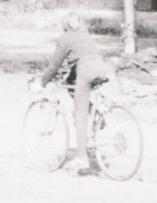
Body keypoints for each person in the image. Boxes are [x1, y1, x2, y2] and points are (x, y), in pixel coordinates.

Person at [35, 12, 113, 174]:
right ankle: (99, 116)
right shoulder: (84, 35)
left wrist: (42, 83)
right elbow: (83, 57)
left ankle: (82, 159)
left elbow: (54, 65)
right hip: (102, 68)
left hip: (85, 70)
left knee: (80, 114)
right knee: (75, 89)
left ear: (64, 25)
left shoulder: (65, 38)